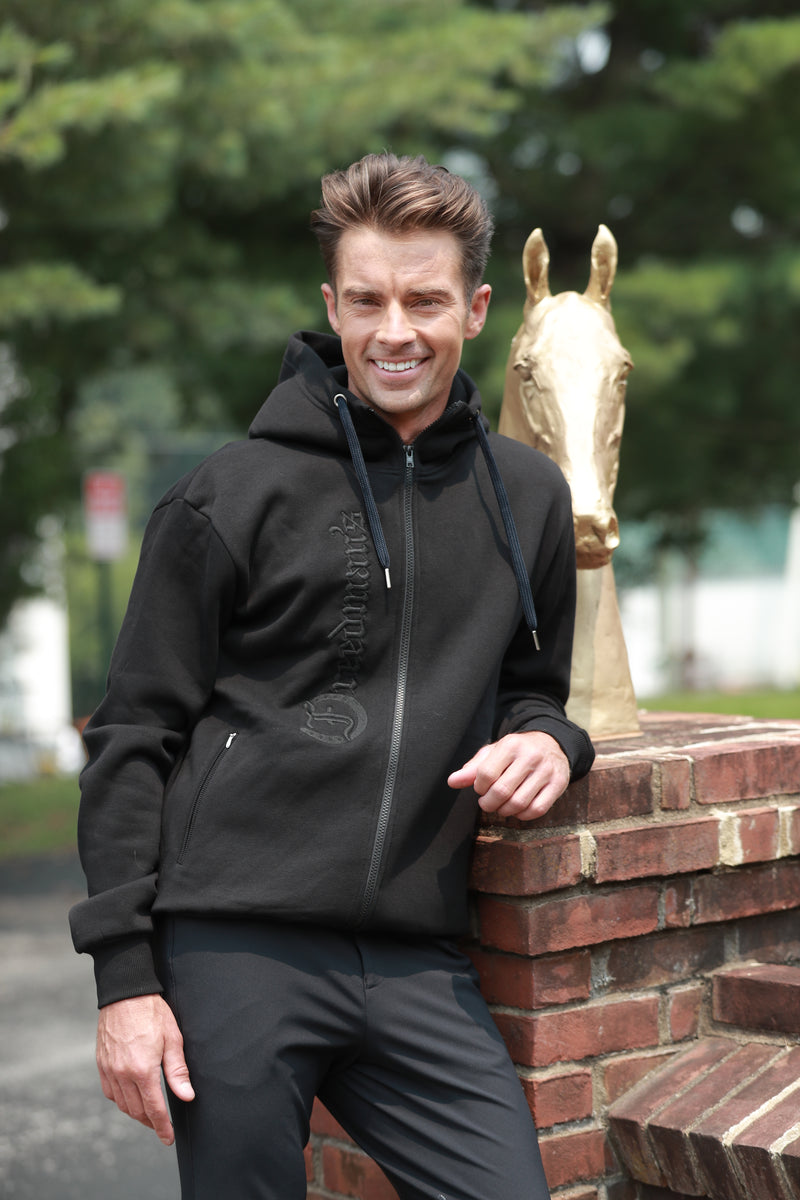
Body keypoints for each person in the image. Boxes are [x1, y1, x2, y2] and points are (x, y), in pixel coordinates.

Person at [70, 152, 595, 1200]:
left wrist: (551, 741)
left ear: (476, 308)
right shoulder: (228, 494)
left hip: (416, 961)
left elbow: (533, 683)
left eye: (423, 300)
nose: (393, 330)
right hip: (234, 945)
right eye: (366, 300)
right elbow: (132, 737)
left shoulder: (528, 498)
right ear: (331, 304)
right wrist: (125, 985)